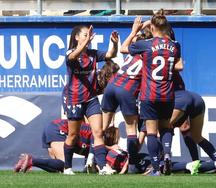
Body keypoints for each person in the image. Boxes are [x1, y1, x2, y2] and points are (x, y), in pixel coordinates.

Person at [120, 10, 183, 176]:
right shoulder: (175, 46)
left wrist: (136, 30)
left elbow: (124, 48)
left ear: (152, 27)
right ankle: (167, 154)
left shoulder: (146, 44)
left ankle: (156, 168)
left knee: (152, 132)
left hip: (150, 94)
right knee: (166, 128)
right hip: (168, 95)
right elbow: (177, 62)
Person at [63, 25, 118, 175]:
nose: (89, 36)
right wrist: (85, 43)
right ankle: (67, 167)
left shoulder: (93, 54)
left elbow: (111, 54)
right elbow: (73, 57)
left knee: (98, 132)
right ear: (76, 37)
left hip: (91, 99)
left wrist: (114, 43)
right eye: (85, 34)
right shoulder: (70, 53)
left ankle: (103, 167)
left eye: (89, 34)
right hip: (75, 99)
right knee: (73, 135)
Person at [101, 26, 152, 174]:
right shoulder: (151, 56)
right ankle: (133, 165)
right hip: (127, 89)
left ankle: (94, 160)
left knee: (102, 128)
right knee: (131, 130)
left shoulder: (133, 50)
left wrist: (135, 30)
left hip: (112, 85)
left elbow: (124, 47)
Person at [14, 119, 93, 173]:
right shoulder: (100, 141)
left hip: (54, 127)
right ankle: (32, 160)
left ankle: (29, 162)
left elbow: (90, 165)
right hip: (59, 128)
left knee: (57, 169)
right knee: (65, 166)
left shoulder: (97, 142)